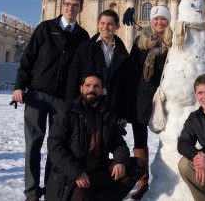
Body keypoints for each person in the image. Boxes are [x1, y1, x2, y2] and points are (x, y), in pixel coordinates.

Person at [12, 0, 90, 201]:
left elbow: (84, 69)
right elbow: (27, 60)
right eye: (67, 4)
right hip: (37, 95)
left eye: (75, 5)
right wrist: (20, 86)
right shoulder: (45, 29)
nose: (70, 8)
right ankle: (31, 190)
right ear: (62, 6)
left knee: (57, 146)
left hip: (64, 100)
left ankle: (51, 188)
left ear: (80, 9)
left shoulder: (83, 36)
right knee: (33, 144)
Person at [46, 73, 145, 201]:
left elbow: (118, 144)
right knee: (81, 196)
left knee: (138, 164)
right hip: (73, 176)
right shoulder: (68, 112)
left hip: (97, 171)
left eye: (96, 86)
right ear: (81, 88)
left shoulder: (107, 113)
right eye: (87, 85)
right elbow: (55, 146)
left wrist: (120, 161)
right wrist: (77, 172)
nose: (91, 89)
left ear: (102, 90)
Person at [129, 5, 172, 199]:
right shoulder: (141, 40)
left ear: (168, 21)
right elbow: (131, 67)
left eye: (163, 19)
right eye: (156, 19)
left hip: (165, 94)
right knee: (140, 138)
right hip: (142, 94)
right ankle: (142, 180)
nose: (159, 22)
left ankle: (170, 176)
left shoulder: (174, 41)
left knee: (170, 135)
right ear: (151, 21)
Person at [66, 10, 132, 127]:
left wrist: (125, 113)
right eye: (102, 23)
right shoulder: (84, 48)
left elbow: (126, 86)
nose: (105, 27)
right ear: (98, 24)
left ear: (117, 26)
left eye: (110, 24)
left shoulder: (124, 55)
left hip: (112, 107)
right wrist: (72, 105)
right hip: (87, 104)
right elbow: (73, 78)